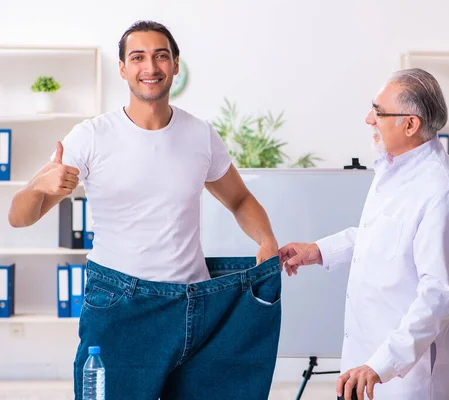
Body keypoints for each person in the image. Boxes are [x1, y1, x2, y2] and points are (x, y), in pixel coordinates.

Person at [8, 20, 282, 400]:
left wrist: (266, 240)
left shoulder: (200, 134)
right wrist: (38, 185)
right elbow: (19, 217)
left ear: (175, 64)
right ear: (122, 68)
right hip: (120, 305)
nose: (150, 68)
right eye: (138, 57)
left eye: (160, 56)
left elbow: (239, 199)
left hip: (196, 303)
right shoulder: (91, 137)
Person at [279, 68, 449, 400]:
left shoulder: (444, 192)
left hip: (404, 375)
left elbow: (439, 296)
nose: (368, 118)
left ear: (410, 124)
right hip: (366, 360)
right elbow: (380, 236)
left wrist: (381, 365)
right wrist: (320, 250)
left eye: (378, 111)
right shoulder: (394, 166)